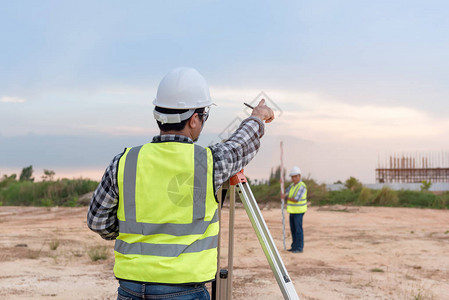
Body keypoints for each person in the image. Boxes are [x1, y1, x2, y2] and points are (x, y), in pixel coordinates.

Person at [87, 67, 274, 300]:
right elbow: (239, 146)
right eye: (204, 116)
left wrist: (134, 235)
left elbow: (97, 221)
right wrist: (257, 118)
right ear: (194, 119)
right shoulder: (208, 163)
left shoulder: (124, 162)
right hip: (184, 289)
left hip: (131, 288)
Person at [282, 166, 307, 253]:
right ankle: (294, 247)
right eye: (292, 177)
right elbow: (286, 192)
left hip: (299, 211)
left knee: (298, 230)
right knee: (293, 230)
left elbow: (296, 199)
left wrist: (286, 197)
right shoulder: (292, 186)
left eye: (295, 176)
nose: (294, 178)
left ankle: (299, 248)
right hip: (292, 211)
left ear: (299, 176)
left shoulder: (302, 186)